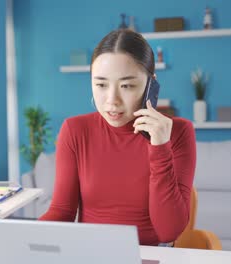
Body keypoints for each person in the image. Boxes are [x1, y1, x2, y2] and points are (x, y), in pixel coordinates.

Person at [39, 29, 196, 246]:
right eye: (101, 85)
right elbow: (62, 211)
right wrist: (24, 239)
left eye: (127, 86)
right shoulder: (75, 130)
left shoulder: (178, 132)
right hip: (89, 256)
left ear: (152, 85)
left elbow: (169, 231)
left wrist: (159, 148)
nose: (112, 101)